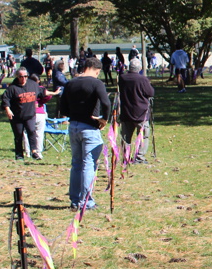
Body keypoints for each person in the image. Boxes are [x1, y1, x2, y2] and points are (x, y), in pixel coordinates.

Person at [59, 57, 111, 210]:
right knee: (89, 164)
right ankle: (86, 201)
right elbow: (106, 103)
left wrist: (74, 114)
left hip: (74, 126)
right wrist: (104, 119)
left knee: (76, 164)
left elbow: (63, 108)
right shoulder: (96, 83)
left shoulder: (70, 83)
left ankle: (75, 200)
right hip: (89, 127)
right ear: (97, 70)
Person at [1, 67, 44, 160]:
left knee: (31, 131)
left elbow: (42, 93)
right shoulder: (12, 88)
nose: (23, 78)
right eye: (21, 76)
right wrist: (8, 110)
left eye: (25, 76)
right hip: (17, 116)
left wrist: (54, 93)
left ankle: (34, 152)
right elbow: (5, 99)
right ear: (17, 76)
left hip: (30, 115)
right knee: (18, 135)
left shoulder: (32, 84)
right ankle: (19, 154)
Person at [118, 58, 154, 164]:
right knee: (143, 135)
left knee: (126, 136)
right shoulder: (142, 79)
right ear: (140, 68)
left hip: (126, 111)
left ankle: (126, 157)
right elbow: (150, 92)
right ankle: (139, 157)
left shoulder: (122, 78)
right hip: (140, 113)